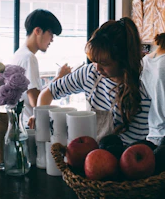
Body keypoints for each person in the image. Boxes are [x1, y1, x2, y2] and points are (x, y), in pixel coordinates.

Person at [37, 17, 151, 145]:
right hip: (89, 156)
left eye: (104, 63)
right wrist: (39, 119)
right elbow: (48, 93)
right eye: (94, 60)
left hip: (124, 160)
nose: (97, 67)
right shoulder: (89, 73)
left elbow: (134, 146)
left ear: (123, 61)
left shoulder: (143, 89)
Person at [11, 9, 70, 126]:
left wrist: (59, 77)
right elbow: (37, 102)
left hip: (21, 124)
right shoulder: (29, 58)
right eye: (50, 34)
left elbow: (33, 94)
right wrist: (60, 78)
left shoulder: (19, 54)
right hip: (28, 125)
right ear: (38, 31)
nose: (52, 40)